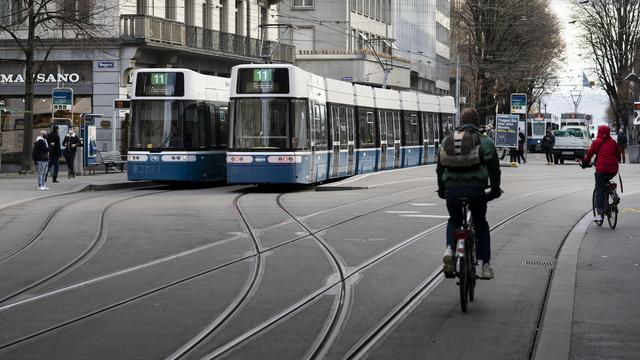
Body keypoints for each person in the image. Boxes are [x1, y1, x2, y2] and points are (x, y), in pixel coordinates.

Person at [437, 108, 502, 279]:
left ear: (461, 121)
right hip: (475, 190)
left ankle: (450, 250)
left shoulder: (447, 140)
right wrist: (495, 189)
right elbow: (494, 169)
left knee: (454, 220)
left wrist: (442, 190)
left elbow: (439, 169)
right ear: (477, 122)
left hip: (451, 190)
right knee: (480, 224)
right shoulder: (484, 141)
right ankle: (485, 265)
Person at [581, 124, 620, 222]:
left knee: (599, 189)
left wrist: (585, 163)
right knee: (605, 185)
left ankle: (599, 214)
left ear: (599, 132)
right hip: (613, 170)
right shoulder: (613, 142)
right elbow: (618, 156)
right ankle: (613, 196)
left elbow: (589, 154)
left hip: (601, 170)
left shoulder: (596, 142)